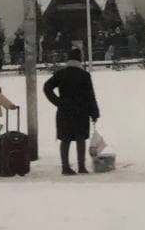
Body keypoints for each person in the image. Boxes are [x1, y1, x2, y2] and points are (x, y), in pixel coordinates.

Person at [43, 47, 101, 175]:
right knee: (81, 139)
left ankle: (65, 167)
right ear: (80, 60)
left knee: (65, 139)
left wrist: (57, 102)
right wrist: (94, 112)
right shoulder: (84, 75)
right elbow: (90, 95)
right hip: (81, 111)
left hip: (65, 111)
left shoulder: (61, 73)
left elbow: (47, 87)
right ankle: (81, 166)